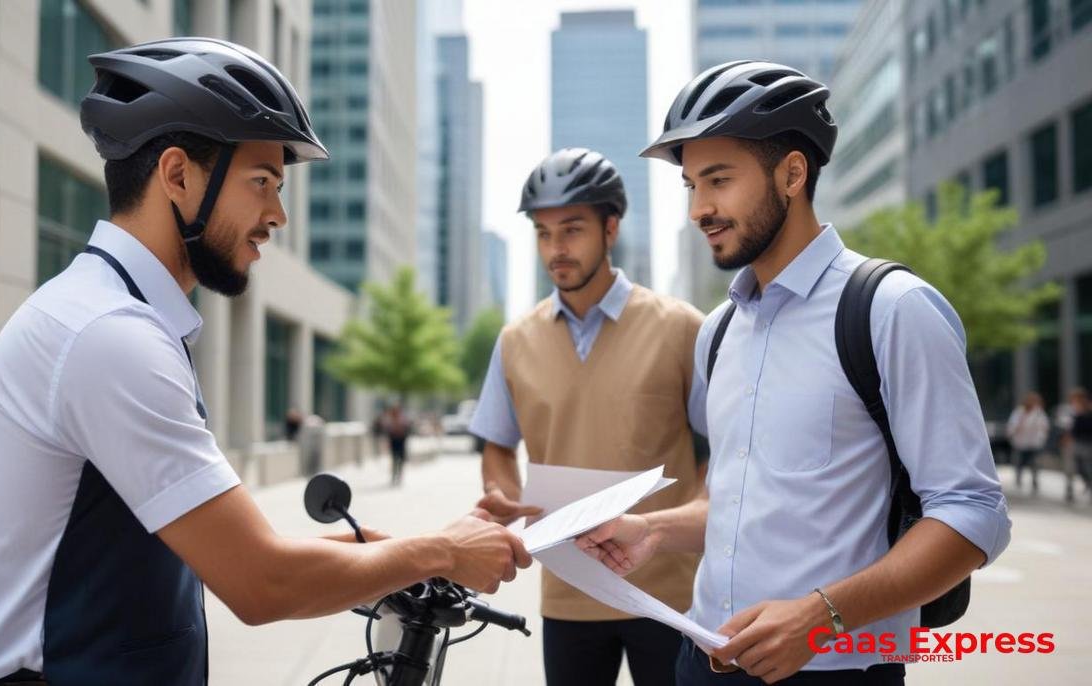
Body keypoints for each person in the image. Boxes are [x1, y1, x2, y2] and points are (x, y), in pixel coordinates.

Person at [0, 38, 530, 686]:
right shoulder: (110, 338)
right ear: (177, 176)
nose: (277, 215)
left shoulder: (112, 315)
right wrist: (442, 551)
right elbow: (261, 581)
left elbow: (218, 548)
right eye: (261, 183)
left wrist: (402, 555)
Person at [576, 61, 1011, 685]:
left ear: (792, 174)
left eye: (719, 180)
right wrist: (651, 530)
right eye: (691, 185)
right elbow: (743, 498)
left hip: (834, 668)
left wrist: (820, 617)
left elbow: (973, 514)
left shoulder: (892, 310)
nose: (699, 209)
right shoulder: (718, 331)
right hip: (702, 658)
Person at [469, 147, 706, 686]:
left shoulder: (680, 328)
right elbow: (497, 445)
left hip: (667, 591)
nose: (556, 249)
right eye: (544, 233)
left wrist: (697, 521)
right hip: (567, 591)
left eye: (572, 230)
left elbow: (720, 448)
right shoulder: (515, 341)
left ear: (611, 228)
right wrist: (502, 494)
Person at [1006, 392, 1049, 493]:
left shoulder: (1039, 413)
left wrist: (1041, 437)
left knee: (1034, 463)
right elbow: (1012, 425)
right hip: (1020, 443)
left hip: (1034, 443)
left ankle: (1034, 482)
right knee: (1019, 463)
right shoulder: (1019, 412)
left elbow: (1044, 426)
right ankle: (1018, 480)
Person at [1069, 388, 1092, 499]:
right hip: (1078, 441)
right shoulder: (1076, 411)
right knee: (1078, 466)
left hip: (1088, 442)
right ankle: (1087, 483)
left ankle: (1089, 485)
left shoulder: (1088, 410)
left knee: (1087, 466)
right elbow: (1074, 427)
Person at [384, 404, 412, 486]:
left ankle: (399, 476)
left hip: (401, 442)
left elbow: (407, 430)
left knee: (400, 460)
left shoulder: (403, 420)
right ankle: (394, 476)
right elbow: (388, 432)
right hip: (394, 442)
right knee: (394, 460)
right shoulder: (390, 421)